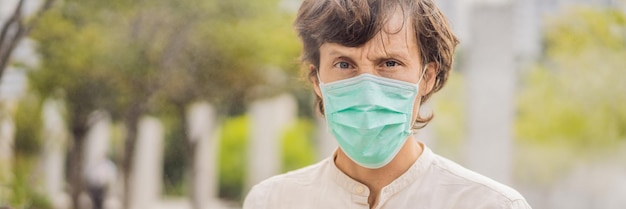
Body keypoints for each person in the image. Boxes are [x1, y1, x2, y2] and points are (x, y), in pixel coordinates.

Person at [244, 0, 532, 208]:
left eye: (390, 63)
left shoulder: (488, 204)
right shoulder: (272, 200)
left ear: (427, 78)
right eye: (344, 64)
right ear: (317, 79)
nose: (367, 88)